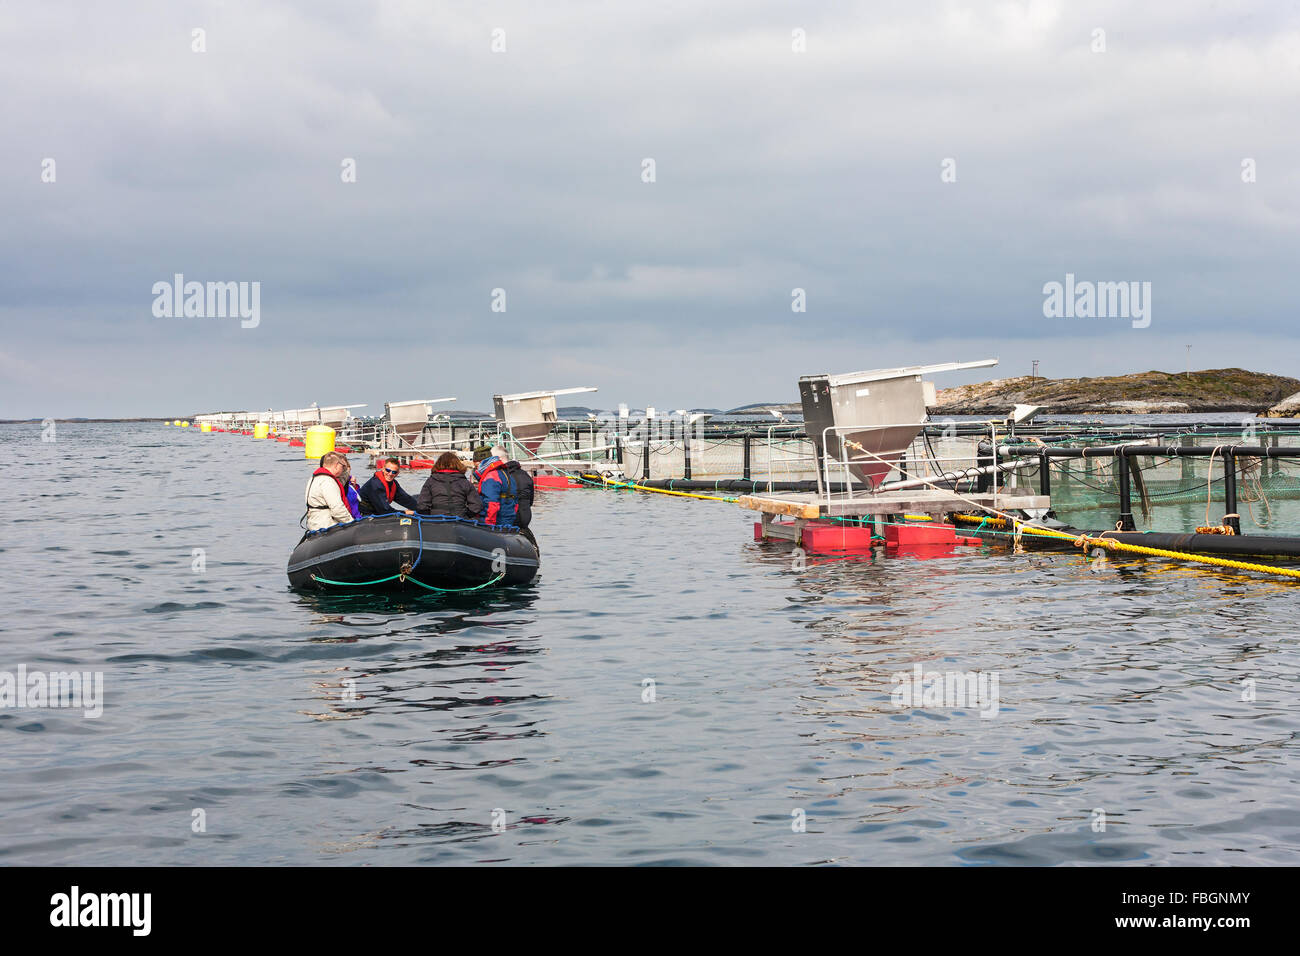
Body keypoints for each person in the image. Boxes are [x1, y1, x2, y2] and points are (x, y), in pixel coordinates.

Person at [417, 452, 482, 519]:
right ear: (458, 465)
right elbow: (476, 506)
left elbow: (422, 506)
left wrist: (429, 518)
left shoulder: (431, 481)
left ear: (438, 464)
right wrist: (466, 515)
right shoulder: (465, 482)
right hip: (460, 520)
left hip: (436, 520)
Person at [303, 451, 356, 531]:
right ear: (336, 465)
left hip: (314, 523)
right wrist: (353, 524)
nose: (343, 469)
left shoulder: (315, 478)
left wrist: (347, 473)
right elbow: (337, 510)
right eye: (343, 467)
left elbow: (341, 482)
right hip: (326, 526)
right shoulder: (328, 482)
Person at [473, 445, 519, 527]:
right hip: (508, 520)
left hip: (495, 521)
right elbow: (515, 502)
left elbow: (492, 503)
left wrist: (489, 525)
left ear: (481, 462)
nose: (476, 469)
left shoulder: (491, 476)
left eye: (476, 466)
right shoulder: (507, 474)